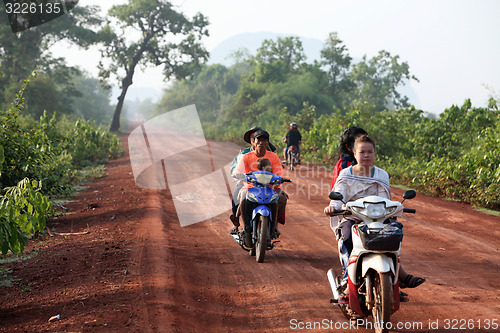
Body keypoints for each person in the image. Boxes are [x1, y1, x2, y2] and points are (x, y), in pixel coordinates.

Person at [324, 135, 424, 300]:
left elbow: (384, 200)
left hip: (378, 217)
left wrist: (395, 209)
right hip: (353, 216)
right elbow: (337, 198)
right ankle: (347, 278)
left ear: (374, 153)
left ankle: (394, 276)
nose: (366, 155)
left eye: (370, 152)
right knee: (346, 235)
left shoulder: (381, 175)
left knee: (395, 231)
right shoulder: (345, 174)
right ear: (354, 154)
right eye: (362, 152)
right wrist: (332, 208)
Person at [234, 130, 288, 244]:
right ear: (254, 142)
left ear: (268, 143)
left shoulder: (273, 157)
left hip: (270, 188)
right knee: (243, 196)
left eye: (264, 140)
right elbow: (237, 171)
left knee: (282, 198)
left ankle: (274, 226)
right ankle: (246, 227)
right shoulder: (246, 157)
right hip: (250, 187)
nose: (261, 143)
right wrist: (239, 174)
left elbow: (279, 172)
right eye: (259, 140)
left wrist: (279, 179)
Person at [229, 126, 276, 232]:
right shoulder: (244, 154)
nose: (259, 142)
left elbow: (275, 167)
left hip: (266, 184)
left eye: (262, 139)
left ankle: (274, 226)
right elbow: (234, 169)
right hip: (246, 182)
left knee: (279, 197)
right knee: (237, 195)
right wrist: (241, 175)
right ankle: (237, 222)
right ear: (252, 140)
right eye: (253, 137)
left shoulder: (270, 153)